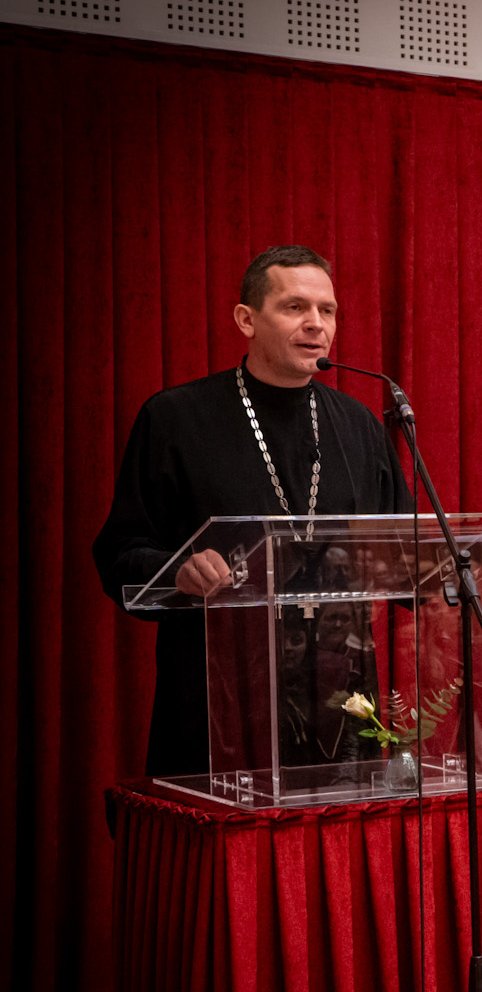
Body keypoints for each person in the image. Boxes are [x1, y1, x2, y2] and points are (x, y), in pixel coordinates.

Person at [93, 246, 413, 776]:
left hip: (340, 712)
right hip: (217, 708)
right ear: (247, 319)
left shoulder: (358, 425)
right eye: (295, 307)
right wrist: (179, 572)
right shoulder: (176, 419)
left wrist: (449, 573)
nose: (316, 324)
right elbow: (120, 553)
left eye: (327, 310)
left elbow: (401, 552)